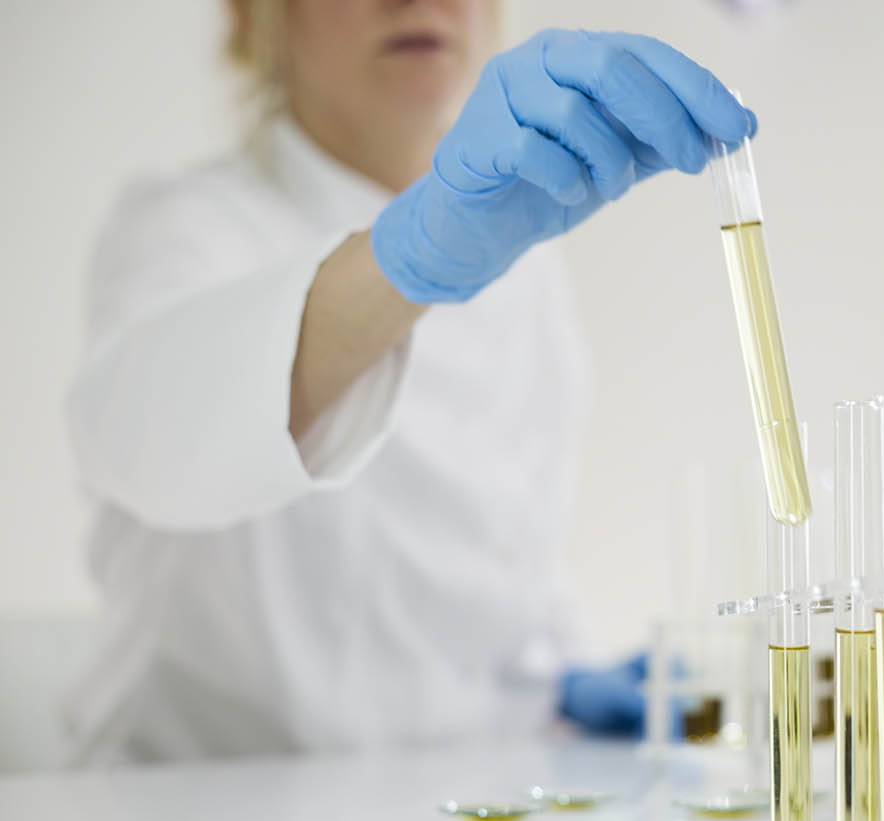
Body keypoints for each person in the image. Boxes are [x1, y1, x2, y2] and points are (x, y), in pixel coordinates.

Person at [63, 0, 756, 762]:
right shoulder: (188, 224)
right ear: (253, 18)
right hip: (190, 816)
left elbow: (501, 554)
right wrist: (408, 257)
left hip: (439, 808)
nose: (421, 1)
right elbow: (146, 441)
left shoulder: (525, 254)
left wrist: (554, 681)